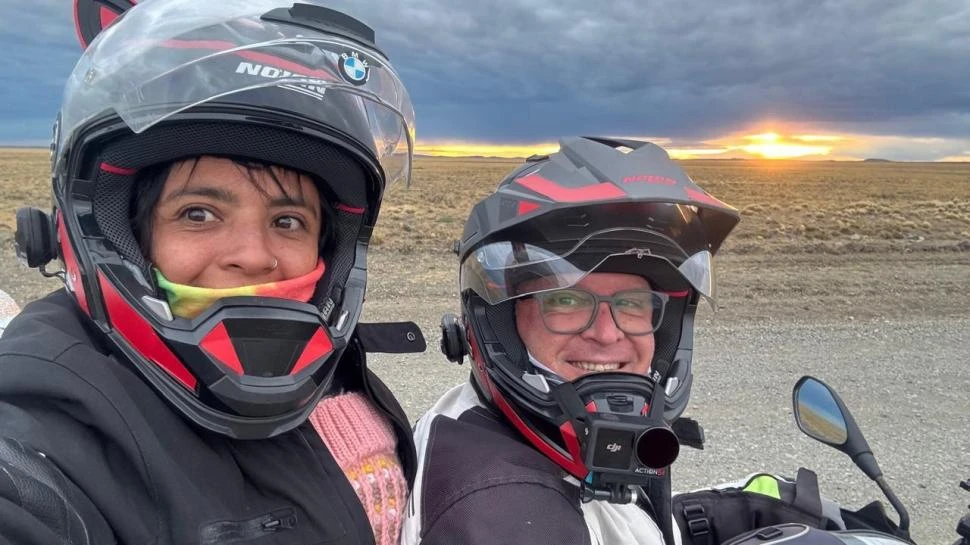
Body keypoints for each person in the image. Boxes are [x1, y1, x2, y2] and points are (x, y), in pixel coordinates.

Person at [0, 1, 421, 544]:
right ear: (120, 231)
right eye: (199, 213)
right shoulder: (49, 431)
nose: (253, 255)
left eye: (288, 220)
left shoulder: (339, 372)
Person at [402, 136, 743, 545]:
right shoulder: (504, 516)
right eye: (567, 300)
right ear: (500, 325)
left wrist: (738, 514)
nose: (606, 332)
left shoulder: (489, 429)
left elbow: (610, 516)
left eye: (633, 303)